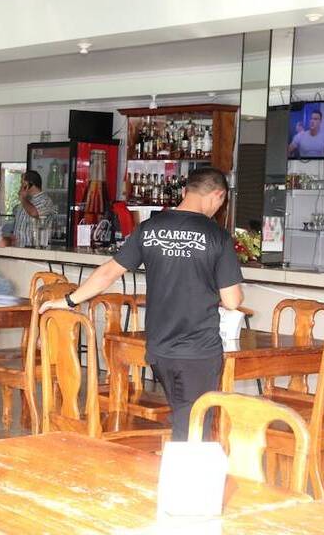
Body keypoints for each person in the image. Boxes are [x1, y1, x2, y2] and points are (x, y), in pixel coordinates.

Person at [40, 167, 244, 440]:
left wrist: (68, 301)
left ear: (186, 191)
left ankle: (173, 461)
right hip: (197, 349)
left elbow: (108, 273)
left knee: (183, 417)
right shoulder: (216, 235)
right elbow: (232, 300)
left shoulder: (149, 229)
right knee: (194, 428)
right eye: (221, 203)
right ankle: (177, 467)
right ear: (218, 195)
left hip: (159, 349)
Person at [12, 170, 57, 247]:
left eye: (23, 183)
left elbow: (34, 213)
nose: (21, 187)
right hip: (18, 247)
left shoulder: (45, 201)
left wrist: (23, 198)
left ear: (30, 184)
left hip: (35, 249)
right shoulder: (27, 201)